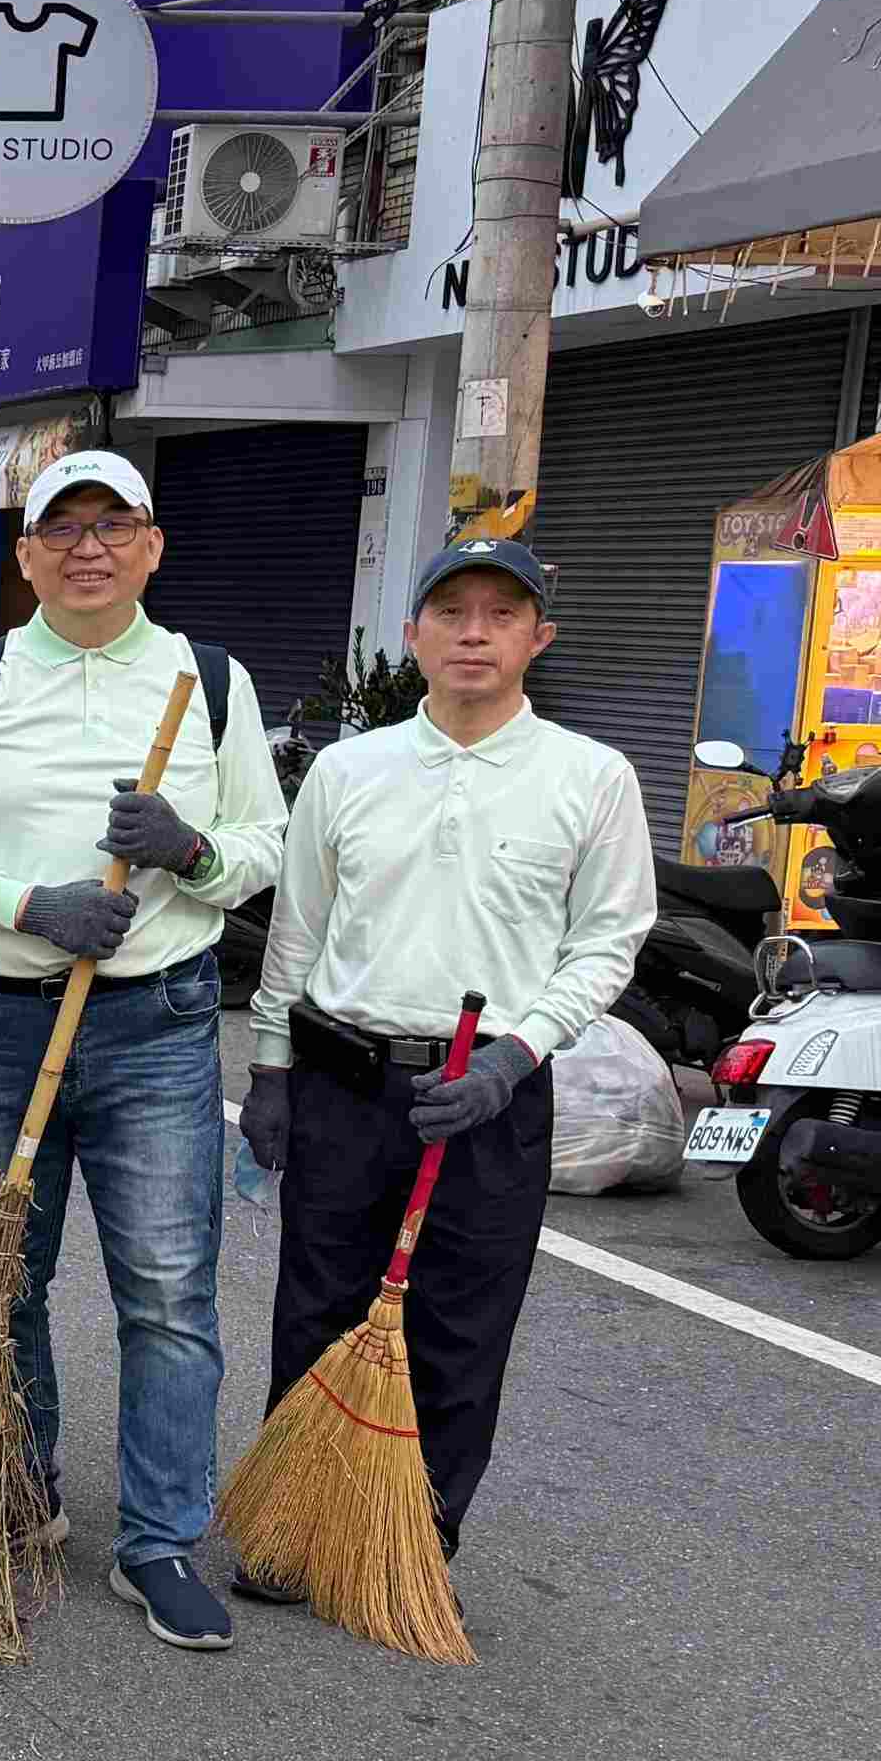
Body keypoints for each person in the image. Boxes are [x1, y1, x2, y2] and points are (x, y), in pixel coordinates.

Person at [0, 449, 286, 1653]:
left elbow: (266, 843)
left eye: (112, 524)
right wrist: (28, 905)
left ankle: (159, 1542)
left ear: (152, 546)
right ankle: (20, 1495)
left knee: (168, 1295)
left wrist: (189, 850)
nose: (87, 547)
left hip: (156, 1025)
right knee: (0, 1280)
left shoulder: (208, 682)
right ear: (24, 557)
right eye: (59, 528)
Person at [242, 536, 653, 1582]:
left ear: (537, 638)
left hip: (489, 1096)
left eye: (502, 614)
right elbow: (298, 931)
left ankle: (414, 1537)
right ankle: (293, 1522)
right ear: (413, 634)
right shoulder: (347, 769)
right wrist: (272, 1070)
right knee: (320, 1307)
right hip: (345, 1079)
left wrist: (514, 1058)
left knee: (463, 1323)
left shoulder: (590, 778)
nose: (475, 632)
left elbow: (607, 940)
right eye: (453, 611)